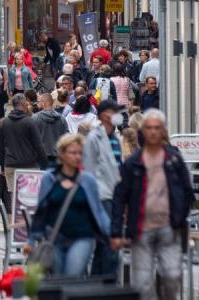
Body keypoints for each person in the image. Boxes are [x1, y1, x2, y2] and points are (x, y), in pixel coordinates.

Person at [110, 109, 193, 300]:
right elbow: (120, 196)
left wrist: (180, 217)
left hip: (169, 227)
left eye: (157, 128)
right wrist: (116, 231)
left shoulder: (173, 159)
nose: (153, 132)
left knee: (172, 277)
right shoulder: (133, 163)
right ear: (143, 131)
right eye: (149, 128)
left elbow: (187, 191)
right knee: (143, 283)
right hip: (141, 229)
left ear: (163, 130)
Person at [25, 133, 111, 277]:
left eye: (80, 153)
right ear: (62, 154)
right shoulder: (49, 178)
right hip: (55, 238)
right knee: (58, 278)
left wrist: (112, 233)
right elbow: (41, 210)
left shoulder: (87, 180)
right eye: (73, 153)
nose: (77, 156)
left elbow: (99, 211)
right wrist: (32, 240)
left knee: (73, 274)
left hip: (82, 237)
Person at [82, 99, 123, 276]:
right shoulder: (93, 138)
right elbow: (88, 170)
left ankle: (97, 285)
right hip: (101, 196)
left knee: (103, 246)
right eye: (115, 112)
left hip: (114, 195)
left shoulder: (115, 138)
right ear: (105, 115)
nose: (119, 116)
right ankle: (108, 284)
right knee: (110, 243)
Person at [0, 94, 48, 203]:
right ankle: (27, 219)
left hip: (10, 165)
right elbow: (38, 146)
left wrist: (2, 166)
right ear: (24, 104)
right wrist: (44, 164)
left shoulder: (4, 122)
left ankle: (16, 219)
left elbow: (0, 147)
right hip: (28, 165)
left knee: (14, 198)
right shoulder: (29, 122)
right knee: (30, 198)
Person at [33, 93, 69, 169]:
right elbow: (67, 138)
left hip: (40, 158)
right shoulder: (62, 119)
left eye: (38, 101)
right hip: (58, 158)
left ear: (43, 103)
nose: (37, 103)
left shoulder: (35, 118)